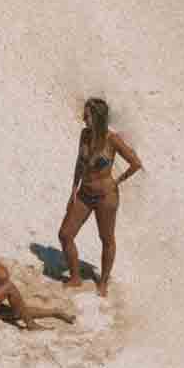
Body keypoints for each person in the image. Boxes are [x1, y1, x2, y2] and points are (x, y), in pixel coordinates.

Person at [58, 97, 142, 294]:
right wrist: (73, 191)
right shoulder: (84, 135)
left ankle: (103, 282)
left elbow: (136, 163)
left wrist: (118, 181)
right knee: (65, 234)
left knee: (106, 239)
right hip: (85, 193)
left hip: (106, 196)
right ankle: (76, 278)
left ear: (97, 118)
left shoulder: (112, 140)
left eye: (86, 115)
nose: (82, 118)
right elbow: (79, 163)